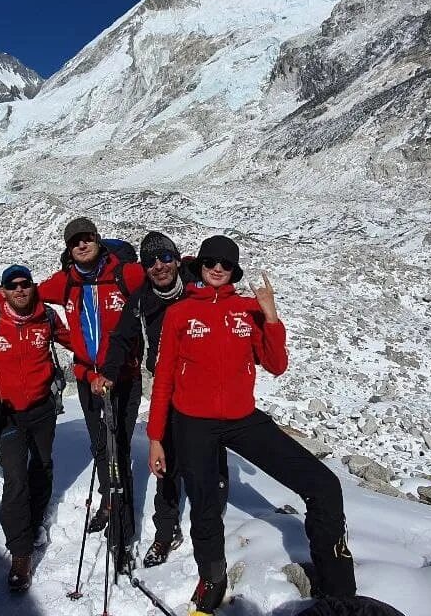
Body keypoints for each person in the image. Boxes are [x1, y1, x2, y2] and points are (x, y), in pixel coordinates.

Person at [147, 236, 358, 615]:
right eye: (210, 261)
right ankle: (212, 578)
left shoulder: (247, 311)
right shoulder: (180, 314)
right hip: (193, 423)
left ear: (233, 271)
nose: (217, 268)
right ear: (200, 265)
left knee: (324, 485)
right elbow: (163, 379)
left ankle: (339, 591)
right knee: (206, 507)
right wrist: (156, 438)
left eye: (225, 264)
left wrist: (271, 316)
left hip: (243, 418)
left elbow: (276, 364)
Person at [0, 216, 146, 568]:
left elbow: (164, 278)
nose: (82, 245)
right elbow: (26, 290)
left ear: (98, 241)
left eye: (87, 239)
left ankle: (121, 528)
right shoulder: (64, 283)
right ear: (68, 251)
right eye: (75, 242)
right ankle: (107, 502)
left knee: (120, 448)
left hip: (124, 377)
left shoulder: (124, 274)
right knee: (101, 445)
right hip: (87, 378)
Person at [103, 231, 227, 568]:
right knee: (167, 463)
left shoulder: (198, 286)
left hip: (207, 388)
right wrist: (109, 373)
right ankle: (166, 531)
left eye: (166, 258)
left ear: (176, 257)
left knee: (210, 459)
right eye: (151, 262)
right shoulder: (142, 299)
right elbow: (121, 339)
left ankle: (213, 519)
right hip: (169, 389)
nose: (159, 266)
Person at [0, 264, 69, 593]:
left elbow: (74, 340)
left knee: (43, 466)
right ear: (3, 291)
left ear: (33, 287)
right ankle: (21, 552)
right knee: (15, 476)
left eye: (25, 284)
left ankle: (33, 520)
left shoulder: (46, 317)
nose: (20, 290)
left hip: (42, 409)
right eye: (12, 285)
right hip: (7, 413)